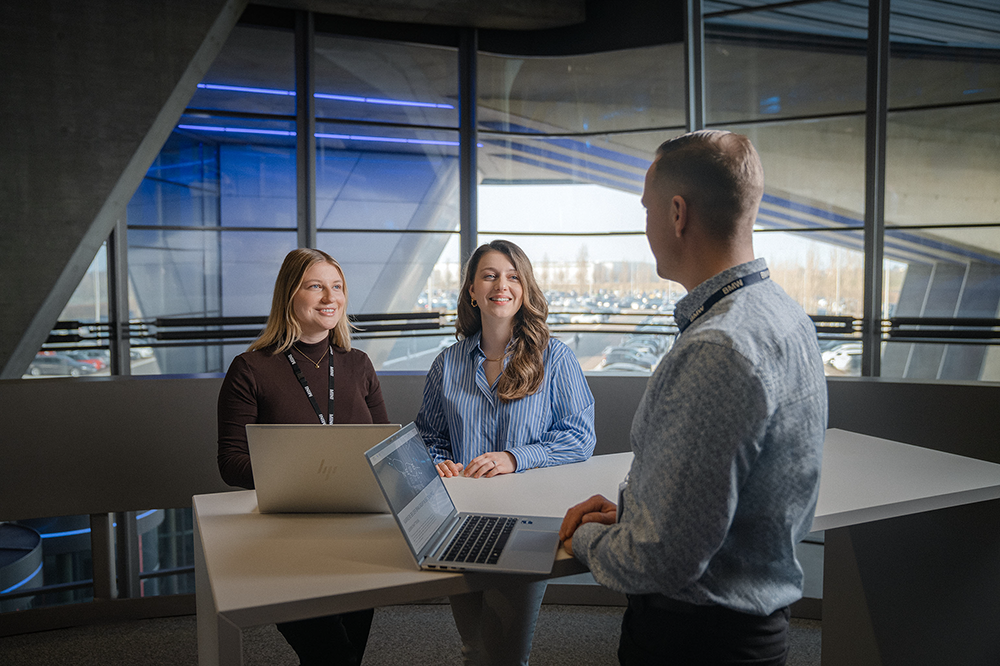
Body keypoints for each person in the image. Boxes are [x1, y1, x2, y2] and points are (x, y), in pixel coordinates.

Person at [560, 130, 827, 666]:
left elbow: (664, 561)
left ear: (677, 214)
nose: (647, 227)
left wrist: (584, 540)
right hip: (744, 632)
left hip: (696, 643)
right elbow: (717, 501)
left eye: (646, 210)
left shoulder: (718, 348)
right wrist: (640, 512)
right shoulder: (782, 314)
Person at [415, 239, 596, 665]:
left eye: (513, 276)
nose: (502, 285)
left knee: (508, 656)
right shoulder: (447, 363)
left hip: (526, 522)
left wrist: (515, 457)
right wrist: (438, 459)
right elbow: (429, 434)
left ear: (525, 288)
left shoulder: (556, 358)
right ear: (472, 291)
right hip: (460, 520)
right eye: (490, 275)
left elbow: (579, 436)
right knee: (473, 646)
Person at [217, 247, 388, 666]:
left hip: (356, 538)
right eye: (316, 286)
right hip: (284, 541)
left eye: (337, 287)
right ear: (289, 295)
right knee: (334, 658)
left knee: (342, 657)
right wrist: (306, 473)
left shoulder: (359, 364)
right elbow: (231, 462)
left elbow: (387, 450)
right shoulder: (250, 369)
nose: (330, 297)